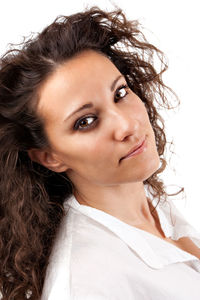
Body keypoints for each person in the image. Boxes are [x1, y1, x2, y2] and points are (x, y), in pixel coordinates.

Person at [0, 5, 200, 300]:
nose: (127, 125)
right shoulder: (88, 286)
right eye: (86, 122)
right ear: (49, 156)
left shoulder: (147, 202)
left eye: (120, 93)